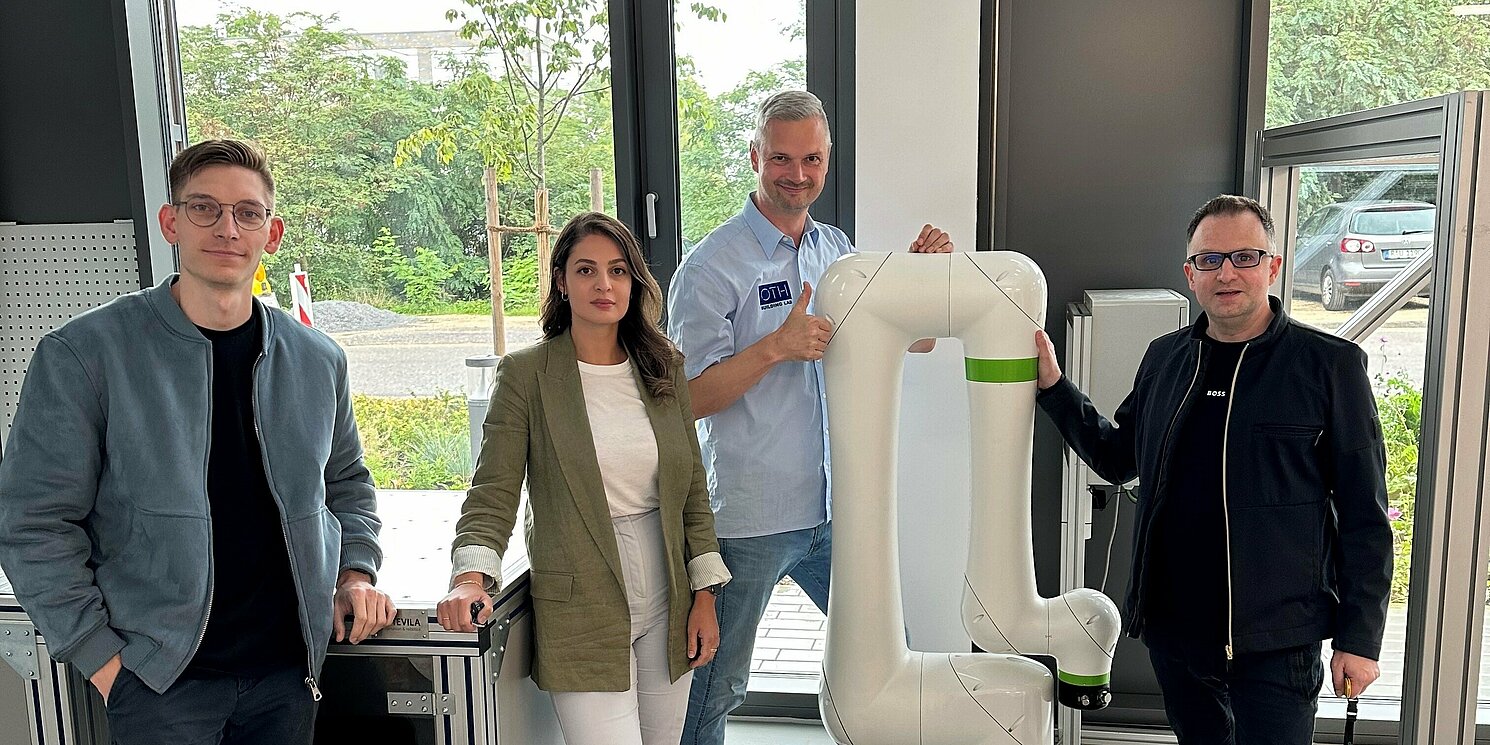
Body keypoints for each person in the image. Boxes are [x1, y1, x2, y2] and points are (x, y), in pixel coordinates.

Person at [0, 138, 396, 744]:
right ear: (171, 223)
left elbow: (346, 485)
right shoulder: (86, 356)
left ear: (273, 232)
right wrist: (105, 662)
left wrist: (355, 573)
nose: (227, 228)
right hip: (160, 685)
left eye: (247, 212)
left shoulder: (318, 360)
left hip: (287, 681)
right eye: (205, 208)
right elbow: (33, 522)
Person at [1033, 195, 1392, 744]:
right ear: (1190, 273)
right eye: (1209, 259)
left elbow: (1365, 517)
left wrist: (1360, 638)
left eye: (1245, 257)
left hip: (1277, 643)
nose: (1226, 272)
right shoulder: (1165, 357)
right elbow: (1116, 455)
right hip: (1176, 634)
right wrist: (1057, 390)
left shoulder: (1329, 366)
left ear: (1273, 266)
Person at [666, 89, 953, 745]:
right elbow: (682, 401)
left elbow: (914, 339)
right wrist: (775, 347)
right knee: (713, 688)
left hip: (833, 511)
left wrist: (917, 281)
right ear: (755, 157)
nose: (798, 174)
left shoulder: (837, 251)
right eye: (782, 159)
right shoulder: (712, 267)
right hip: (750, 519)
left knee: (889, 654)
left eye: (812, 159)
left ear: (828, 160)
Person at [437, 212, 730, 745]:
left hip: (668, 593)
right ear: (561, 281)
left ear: (633, 283)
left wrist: (705, 595)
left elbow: (692, 492)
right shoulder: (527, 375)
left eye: (618, 271)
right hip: (580, 602)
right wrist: (470, 577)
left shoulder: (662, 369)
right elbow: (493, 492)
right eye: (586, 270)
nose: (604, 284)